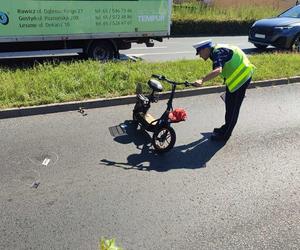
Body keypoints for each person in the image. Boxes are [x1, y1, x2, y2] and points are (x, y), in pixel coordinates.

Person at [192, 40, 255, 142]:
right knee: (229, 105)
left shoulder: (217, 52)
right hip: (235, 79)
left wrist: (202, 80)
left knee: (233, 109)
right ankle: (225, 128)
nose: (199, 55)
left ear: (205, 49)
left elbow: (218, 70)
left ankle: (225, 135)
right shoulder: (215, 51)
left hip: (242, 78)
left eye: (199, 52)